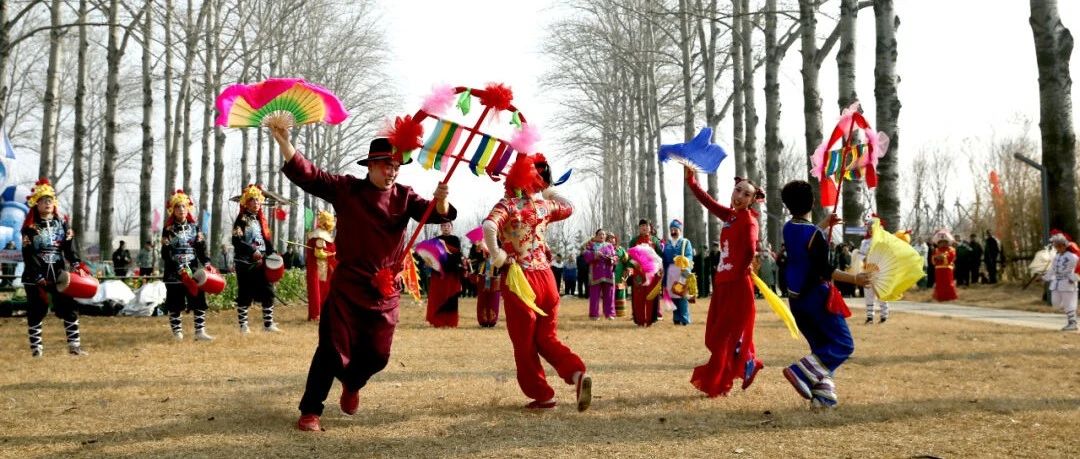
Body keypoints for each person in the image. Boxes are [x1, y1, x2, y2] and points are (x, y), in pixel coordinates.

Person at [274, 127, 457, 432]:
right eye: (387, 165)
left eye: (396, 166)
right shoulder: (347, 189)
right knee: (330, 349)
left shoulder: (405, 196)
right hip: (348, 285)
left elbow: (435, 214)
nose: (392, 171)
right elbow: (310, 175)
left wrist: (440, 202)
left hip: (385, 291)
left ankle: (353, 383)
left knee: (379, 356)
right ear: (370, 165)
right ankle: (311, 411)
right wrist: (284, 141)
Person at [482, 152, 591, 411]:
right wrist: (548, 191)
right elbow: (570, 206)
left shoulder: (508, 204)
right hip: (547, 277)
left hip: (521, 278)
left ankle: (543, 395)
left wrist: (498, 257)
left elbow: (488, 226)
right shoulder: (544, 207)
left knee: (524, 342)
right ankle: (577, 374)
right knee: (547, 337)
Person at [779, 180, 870, 409]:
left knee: (821, 349)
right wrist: (855, 279)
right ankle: (800, 372)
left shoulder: (788, 227)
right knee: (842, 345)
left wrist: (823, 224)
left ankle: (823, 397)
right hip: (817, 298)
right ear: (812, 202)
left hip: (797, 301)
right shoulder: (814, 235)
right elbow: (824, 269)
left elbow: (804, 240)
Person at [684, 168, 762, 397]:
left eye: (746, 194)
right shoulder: (730, 216)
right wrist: (691, 180)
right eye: (738, 190)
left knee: (724, 336)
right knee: (715, 335)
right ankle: (748, 361)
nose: (739, 196)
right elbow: (707, 202)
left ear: (752, 200)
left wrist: (740, 270)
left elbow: (750, 248)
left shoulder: (749, 221)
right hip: (723, 283)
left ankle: (719, 383)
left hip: (737, 285)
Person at [21, 178, 89, 357]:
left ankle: (74, 347)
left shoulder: (63, 225)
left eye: (50, 199)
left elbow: (69, 249)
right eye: (43, 200)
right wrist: (38, 276)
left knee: (69, 307)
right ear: (36, 203)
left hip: (59, 275)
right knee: (37, 310)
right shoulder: (30, 228)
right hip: (35, 276)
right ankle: (37, 350)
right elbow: (29, 254)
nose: (48, 203)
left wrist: (76, 265)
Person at [160, 190, 214, 341]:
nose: (181, 210)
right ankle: (177, 332)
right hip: (174, 271)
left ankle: (200, 332)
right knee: (174, 302)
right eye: (178, 207)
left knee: (198, 299)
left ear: (187, 208)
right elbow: (166, 253)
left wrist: (207, 263)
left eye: (183, 206)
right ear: (173, 210)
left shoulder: (195, 228)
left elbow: (201, 250)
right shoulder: (168, 230)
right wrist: (178, 267)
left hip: (193, 270)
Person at [232, 184, 280, 334]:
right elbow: (236, 241)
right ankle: (243, 326)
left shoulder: (261, 220)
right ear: (247, 202)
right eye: (253, 200)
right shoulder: (241, 219)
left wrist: (273, 254)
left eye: (258, 200)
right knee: (245, 293)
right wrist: (252, 251)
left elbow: (266, 241)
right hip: (245, 262)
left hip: (261, 262)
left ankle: (268, 324)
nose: (257, 203)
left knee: (268, 291)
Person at [427, 222, 464, 328]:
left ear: (451, 227)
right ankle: (437, 320)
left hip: (451, 272)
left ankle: (450, 321)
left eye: (448, 226)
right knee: (438, 296)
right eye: (443, 226)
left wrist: (445, 248)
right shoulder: (436, 240)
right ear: (441, 228)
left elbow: (457, 256)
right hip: (439, 272)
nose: (446, 228)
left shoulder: (455, 240)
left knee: (451, 296)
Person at [305, 210, 338, 322]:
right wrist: (331, 255)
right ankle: (317, 314)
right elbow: (318, 253)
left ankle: (323, 312)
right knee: (318, 289)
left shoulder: (321, 234)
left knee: (324, 289)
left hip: (323, 267)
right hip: (319, 267)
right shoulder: (320, 235)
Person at [1044, 232, 1078, 331]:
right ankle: (1070, 310)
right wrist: (1044, 278)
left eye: (1059, 246)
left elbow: (1078, 267)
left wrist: (1074, 277)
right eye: (1056, 246)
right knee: (1055, 303)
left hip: (1068, 283)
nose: (1057, 248)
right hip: (1057, 283)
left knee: (1069, 304)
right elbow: (1052, 270)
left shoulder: (1072, 256)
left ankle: (1072, 323)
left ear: (1064, 245)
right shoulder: (1056, 257)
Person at [662, 219, 694, 325]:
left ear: (680, 230)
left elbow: (689, 256)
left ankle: (684, 318)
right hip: (670, 272)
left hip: (681, 271)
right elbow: (664, 259)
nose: (673, 231)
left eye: (675, 229)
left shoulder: (685, 242)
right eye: (672, 229)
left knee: (681, 295)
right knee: (673, 296)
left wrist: (686, 269)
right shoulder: (667, 244)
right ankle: (676, 317)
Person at [584, 229, 616, 320]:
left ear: (606, 236)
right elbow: (585, 255)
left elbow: (615, 256)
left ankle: (610, 314)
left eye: (603, 234)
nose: (602, 236)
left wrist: (612, 259)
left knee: (609, 295)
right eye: (600, 234)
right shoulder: (591, 245)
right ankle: (594, 315)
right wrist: (594, 255)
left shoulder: (609, 246)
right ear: (596, 236)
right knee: (594, 296)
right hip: (595, 274)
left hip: (608, 273)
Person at [861, 220, 889, 324]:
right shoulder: (864, 242)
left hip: (880, 270)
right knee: (868, 293)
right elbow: (861, 255)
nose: (870, 229)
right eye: (868, 227)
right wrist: (864, 258)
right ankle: (869, 317)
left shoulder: (882, 241)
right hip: (868, 270)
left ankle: (884, 315)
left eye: (872, 227)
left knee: (881, 292)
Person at [473, 242, 501, 328]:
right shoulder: (478, 241)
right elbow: (473, 258)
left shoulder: (498, 240)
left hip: (495, 273)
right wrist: (478, 251)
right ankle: (482, 320)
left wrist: (493, 254)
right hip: (482, 273)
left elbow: (503, 256)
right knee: (482, 297)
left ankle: (492, 320)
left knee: (494, 297)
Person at [931, 230, 958, 301]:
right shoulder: (936, 250)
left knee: (948, 283)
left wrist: (944, 257)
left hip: (947, 269)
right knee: (939, 284)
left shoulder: (951, 249)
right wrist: (936, 258)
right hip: (938, 270)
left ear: (947, 242)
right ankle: (940, 297)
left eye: (944, 242)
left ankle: (950, 297)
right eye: (941, 242)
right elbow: (933, 260)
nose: (942, 243)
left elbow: (951, 258)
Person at [609, 234, 629, 318]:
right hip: (609, 273)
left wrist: (627, 269)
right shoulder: (605, 249)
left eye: (613, 238)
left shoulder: (621, 249)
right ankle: (611, 312)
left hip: (620, 273)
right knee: (610, 293)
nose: (611, 240)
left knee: (620, 291)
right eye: (609, 238)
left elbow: (626, 260)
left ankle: (621, 312)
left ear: (615, 239)